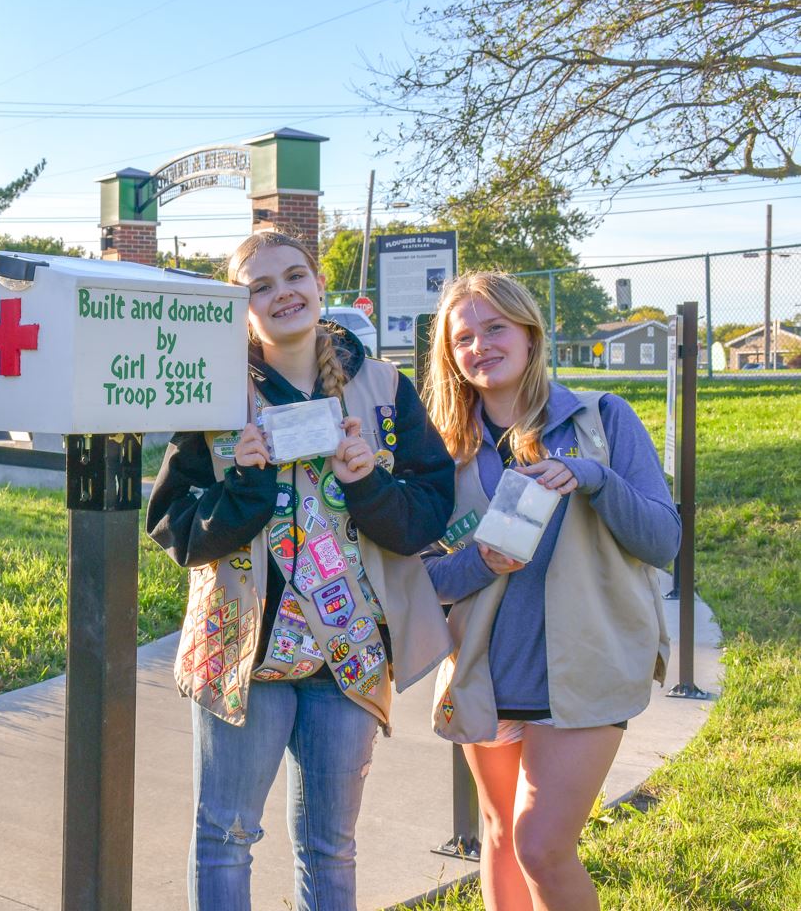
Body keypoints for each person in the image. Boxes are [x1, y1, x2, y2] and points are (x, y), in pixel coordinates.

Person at [147, 230, 455, 911]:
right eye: (260, 286)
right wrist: (247, 483)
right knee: (225, 835)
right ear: (242, 306)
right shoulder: (212, 394)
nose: (283, 292)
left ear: (321, 287)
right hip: (244, 653)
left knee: (331, 847)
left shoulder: (381, 389)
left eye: (295, 277)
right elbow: (176, 527)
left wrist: (370, 483)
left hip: (347, 655)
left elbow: (427, 512)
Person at [421, 271, 678, 911]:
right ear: (448, 357)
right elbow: (422, 580)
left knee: (541, 846)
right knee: (502, 837)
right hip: (487, 674)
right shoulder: (442, 451)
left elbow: (663, 540)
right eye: (464, 338)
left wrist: (592, 478)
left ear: (531, 334)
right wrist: (482, 562)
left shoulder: (601, 419)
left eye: (496, 328)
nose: (480, 345)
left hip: (584, 670)